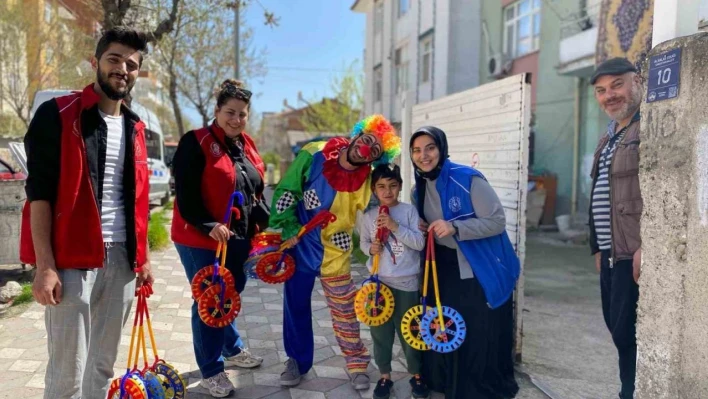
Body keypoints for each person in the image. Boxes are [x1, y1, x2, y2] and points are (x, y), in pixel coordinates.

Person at [19, 27, 154, 399]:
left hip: (123, 262)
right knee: (68, 375)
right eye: (114, 59)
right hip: (72, 261)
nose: (123, 68)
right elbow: (39, 196)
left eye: (132, 64)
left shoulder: (135, 126)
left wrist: (141, 260)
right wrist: (45, 266)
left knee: (101, 368)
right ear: (95, 62)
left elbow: (137, 199)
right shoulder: (58, 114)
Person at [269, 115, 401, 390]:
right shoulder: (314, 152)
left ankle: (356, 364)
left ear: (375, 158)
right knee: (295, 306)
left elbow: (383, 204)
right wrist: (288, 226)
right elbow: (287, 191)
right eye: (366, 141)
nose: (366, 149)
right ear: (357, 135)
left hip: (336, 250)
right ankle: (296, 361)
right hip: (301, 245)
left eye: (375, 150)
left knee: (344, 309)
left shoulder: (368, 181)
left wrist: (409, 220)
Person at [171, 79, 266, 398]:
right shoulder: (195, 142)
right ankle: (212, 369)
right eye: (230, 112)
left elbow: (255, 190)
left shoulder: (247, 144)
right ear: (216, 111)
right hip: (200, 237)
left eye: (242, 114)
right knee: (211, 300)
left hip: (237, 238)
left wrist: (268, 225)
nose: (236, 119)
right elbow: (185, 194)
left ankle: (232, 349)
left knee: (230, 294)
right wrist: (208, 223)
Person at [409, 126, 520, 399]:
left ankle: (473, 389)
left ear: (442, 149)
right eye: (416, 150)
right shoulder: (418, 189)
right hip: (442, 266)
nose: (424, 155)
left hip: (476, 266)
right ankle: (444, 381)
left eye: (430, 148)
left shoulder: (467, 179)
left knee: (475, 328)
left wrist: (456, 228)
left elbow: (496, 222)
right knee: (443, 322)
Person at [589, 57, 643, 399]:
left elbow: (662, 188)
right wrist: (596, 246)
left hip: (632, 254)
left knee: (629, 332)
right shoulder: (608, 137)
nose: (609, 95)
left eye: (617, 85)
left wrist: (648, 245)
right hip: (610, 254)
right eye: (601, 90)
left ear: (636, 82)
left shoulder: (647, 127)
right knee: (617, 329)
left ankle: (632, 392)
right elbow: (598, 192)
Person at [356, 164, 429, 399]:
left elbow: (419, 244)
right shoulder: (368, 216)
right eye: (381, 186)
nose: (387, 191)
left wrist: (394, 226)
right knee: (380, 334)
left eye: (393, 185)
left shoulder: (408, 212)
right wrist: (371, 248)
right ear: (374, 189)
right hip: (379, 284)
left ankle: (416, 375)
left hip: (406, 282)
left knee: (411, 330)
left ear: (399, 186)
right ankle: (385, 376)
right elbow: (364, 244)